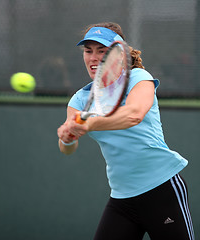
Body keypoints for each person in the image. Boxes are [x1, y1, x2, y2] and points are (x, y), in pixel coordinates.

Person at [57, 22, 195, 240]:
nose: (93, 58)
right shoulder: (80, 100)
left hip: (161, 189)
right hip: (122, 199)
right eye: (88, 51)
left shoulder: (139, 78)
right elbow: (68, 148)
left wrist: (92, 123)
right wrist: (67, 138)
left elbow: (134, 114)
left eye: (102, 51)